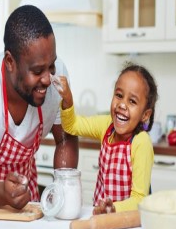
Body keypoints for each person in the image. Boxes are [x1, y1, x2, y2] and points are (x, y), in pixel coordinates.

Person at [0, 5, 78, 210]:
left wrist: (61, 194)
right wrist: (1, 192)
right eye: (37, 71)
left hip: (28, 202)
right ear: (10, 61)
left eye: (51, 66)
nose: (48, 79)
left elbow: (66, 138)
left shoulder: (56, 77)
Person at [53, 62, 158, 214]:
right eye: (119, 95)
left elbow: (139, 199)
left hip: (126, 221)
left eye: (132, 101)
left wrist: (113, 208)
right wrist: (68, 99)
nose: (122, 105)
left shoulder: (141, 142)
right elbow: (72, 126)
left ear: (145, 115)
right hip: (101, 215)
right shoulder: (106, 125)